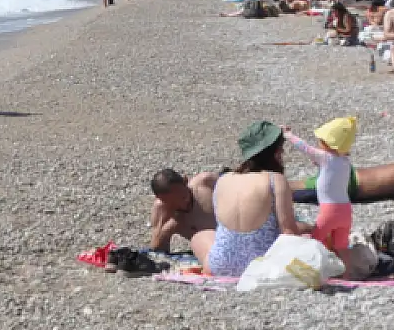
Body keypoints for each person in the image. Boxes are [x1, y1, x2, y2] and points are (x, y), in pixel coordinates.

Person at [205, 122, 308, 278]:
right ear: (276, 153)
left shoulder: (223, 179)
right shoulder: (275, 180)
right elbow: (288, 232)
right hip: (263, 266)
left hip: (221, 267)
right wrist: (309, 229)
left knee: (201, 236)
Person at [283, 118, 357, 257]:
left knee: (316, 240)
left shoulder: (325, 157)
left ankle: (316, 265)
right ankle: (347, 269)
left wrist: (289, 135)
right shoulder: (345, 162)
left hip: (329, 210)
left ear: (326, 143)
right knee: (341, 246)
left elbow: (305, 148)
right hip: (346, 210)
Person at [150, 168, 219, 268]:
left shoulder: (205, 183)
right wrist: (167, 230)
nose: (182, 205)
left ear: (185, 181)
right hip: (211, 250)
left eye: (183, 197)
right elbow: (157, 254)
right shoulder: (161, 209)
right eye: (172, 204)